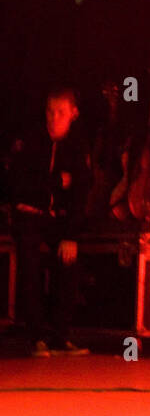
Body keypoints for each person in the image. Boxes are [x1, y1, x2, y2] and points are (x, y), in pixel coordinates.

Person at [10, 87, 91, 356]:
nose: (53, 117)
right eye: (50, 111)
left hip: (57, 220)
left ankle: (60, 335)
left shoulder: (78, 148)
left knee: (70, 261)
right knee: (29, 262)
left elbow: (80, 193)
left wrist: (72, 236)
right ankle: (36, 337)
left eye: (60, 112)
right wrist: (57, 182)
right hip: (28, 215)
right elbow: (18, 184)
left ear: (73, 114)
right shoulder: (31, 141)